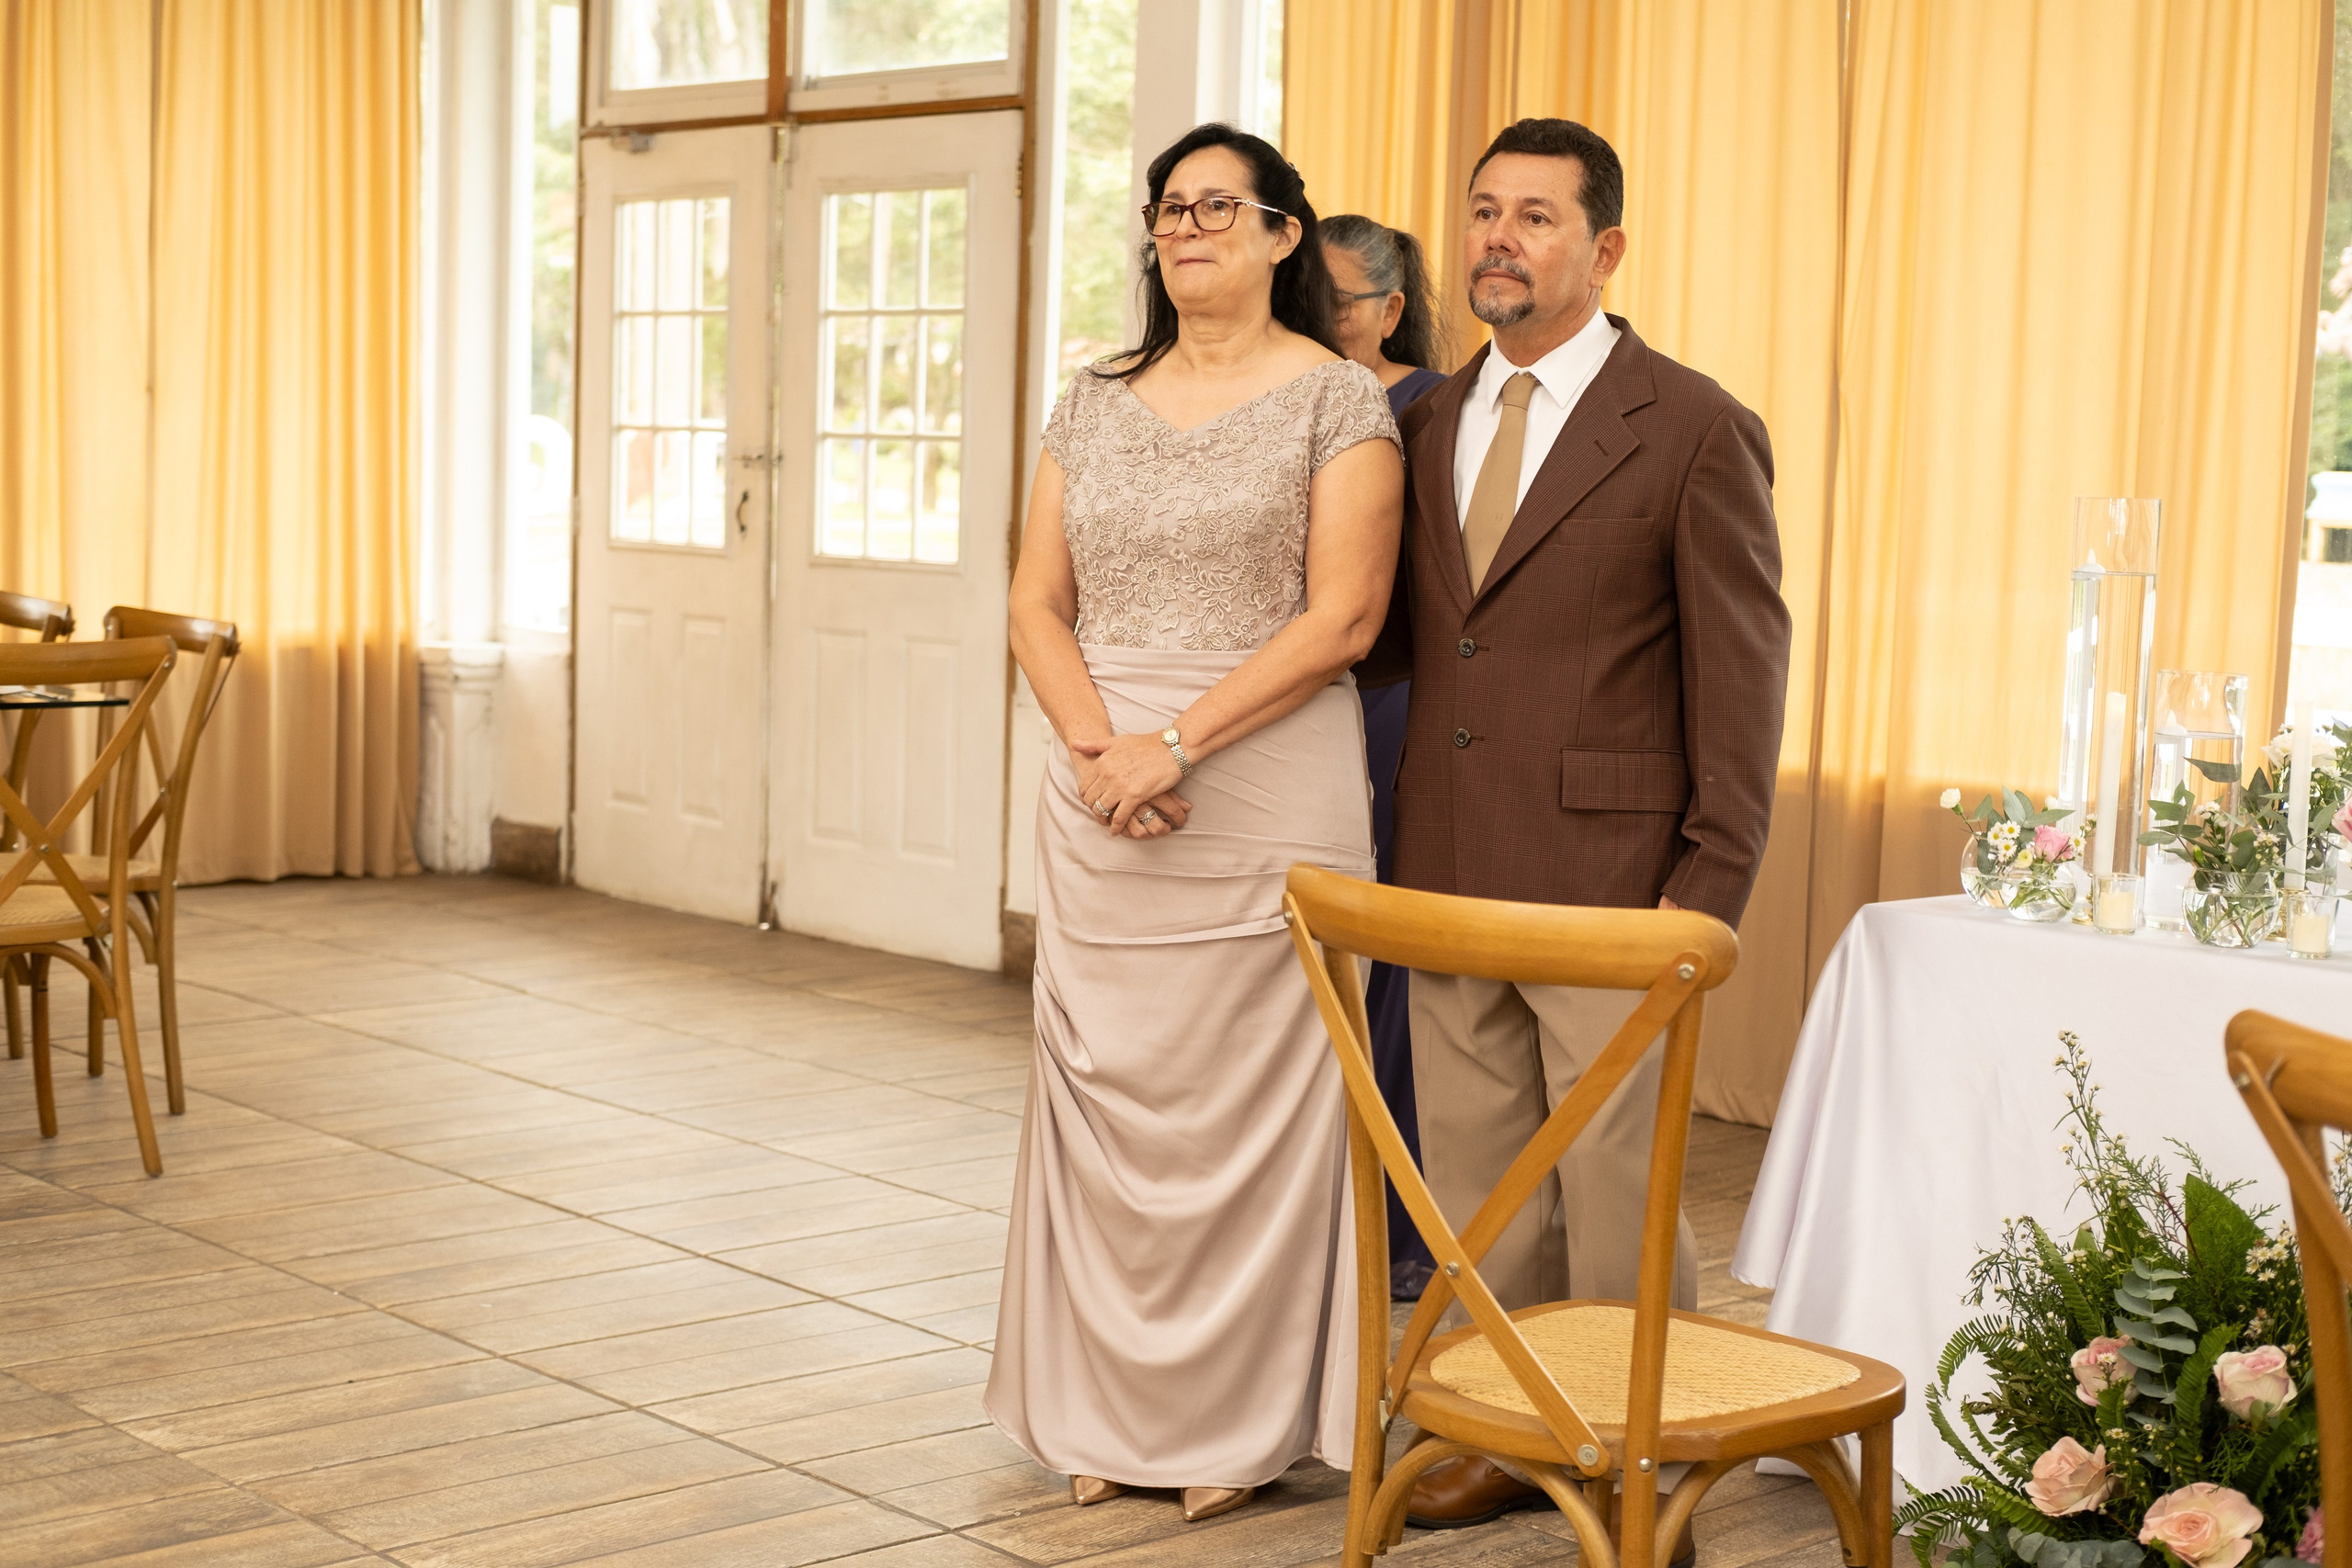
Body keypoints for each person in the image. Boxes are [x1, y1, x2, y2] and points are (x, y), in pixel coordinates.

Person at [1361, 118, 1791, 1551]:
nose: (1499, 239)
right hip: (1446, 866)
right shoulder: (1423, 420)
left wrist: (1704, 898)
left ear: (1604, 249)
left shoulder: (1694, 425)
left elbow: (1742, 683)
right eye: (1484, 211)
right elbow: (1419, 643)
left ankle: (1641, 1448)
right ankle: (1506, 1426)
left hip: (1617, 887)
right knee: (1483, 1189)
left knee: (1616, 1194)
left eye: (1536, 217)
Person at [988, 122, 1405, 1525]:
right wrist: (1102, 747)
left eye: (1220, 206)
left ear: (1288, 235)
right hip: (1103, 781)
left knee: (1259, 1105)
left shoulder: (1338, 400)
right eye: (1170, 208)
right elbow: (1034, 599)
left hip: (1266, 781)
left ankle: (1244, 1419)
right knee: (1112, 1100)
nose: (1186, 228)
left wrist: (1176, 739)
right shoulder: (1091, 399)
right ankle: (1106, 1408)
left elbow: (1344, 615)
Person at [1319, 213, 1448, 1302]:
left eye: (1341, 303)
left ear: (1390, 311)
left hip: (1390, 705)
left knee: (1392, 957)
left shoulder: (1425, 411)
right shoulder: (1283, 395)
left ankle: (1403, 1223)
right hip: (1297, 704)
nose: (1321, 323)